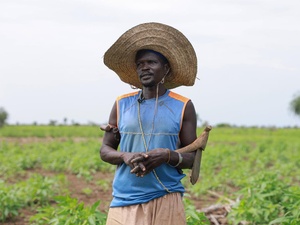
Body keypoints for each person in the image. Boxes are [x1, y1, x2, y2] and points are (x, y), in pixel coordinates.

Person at [100, 22, 198, 225]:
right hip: (125, 198)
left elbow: (192, 158)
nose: (144, 67)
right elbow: (105, 150)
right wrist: (125, 156)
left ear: (166, 68)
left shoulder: (183, 106)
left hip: (166, 195)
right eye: (140, 64)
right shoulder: (122, 104)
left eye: (151, 62)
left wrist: (166, 155)